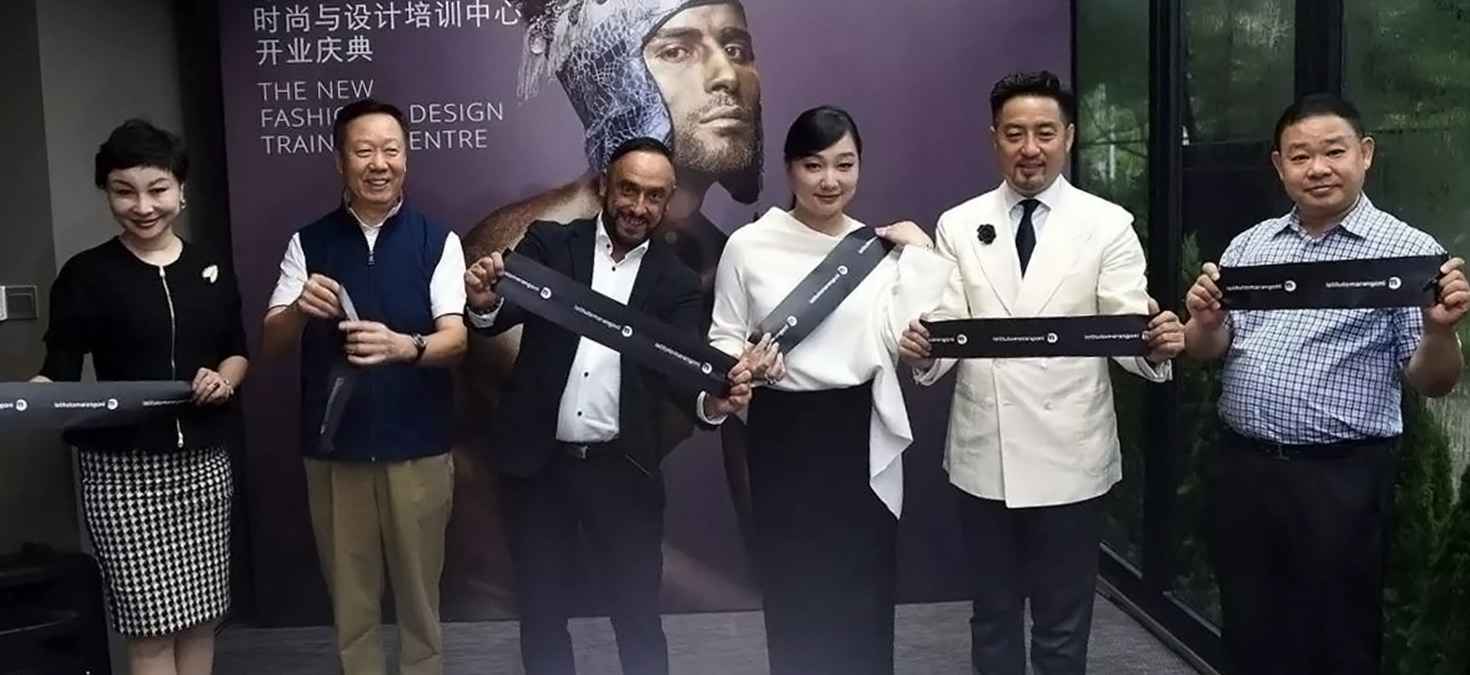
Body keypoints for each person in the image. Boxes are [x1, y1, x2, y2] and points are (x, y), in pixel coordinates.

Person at [898, 71, 1185, 675]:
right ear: (994, 139)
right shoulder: (958, 223)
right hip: (987, 452)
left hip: (1071, 453)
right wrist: (925, 351)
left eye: (1045, 133)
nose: (1030, 148)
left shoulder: (1108, 223)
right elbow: (949, 327)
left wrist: (1154, 345)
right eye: (1015, 133)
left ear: (1069, 137)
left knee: (1062, 622)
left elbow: (1125, 325)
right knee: (993, 616)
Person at [458, 0, 765, 561]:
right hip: (527, 528)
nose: (726, 75)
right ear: (615, 76)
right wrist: (483, 304)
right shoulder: (528, 243)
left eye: (736, 47)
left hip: (628, 499)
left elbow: (698, 397)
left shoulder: (716, 265)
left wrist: (719, 400)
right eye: (678, 50)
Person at [1183, 93, 1468, 675]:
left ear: (1365, 154)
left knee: (1337, 637)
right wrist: (1204, 323)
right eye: (1300, 155)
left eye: (1334, 152)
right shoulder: (1250, 245)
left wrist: (1440, 332)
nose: (1317, 168)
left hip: (1342, 479)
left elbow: (1432, 382)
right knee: (1248, 626)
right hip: (1245, 469)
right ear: (1279, 165)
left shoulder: (1409, 254)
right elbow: (1205, 350)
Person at [463, 137, 756, 675]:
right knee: (542, 616)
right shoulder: (551, 243)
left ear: (667, 202)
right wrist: (482, 304)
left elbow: (682, 377)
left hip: (623, 474)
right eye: (628, 190)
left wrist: (713, 404)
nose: (638, 207)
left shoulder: (677, 283)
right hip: (538, 469)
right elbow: (497, 315)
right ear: (604, 186)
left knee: (637, 619)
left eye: (653, 196)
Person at [707, 106, 953, 675]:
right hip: (782, 432)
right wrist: (743, 366)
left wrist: (920, 252)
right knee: (794, 593)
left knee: (865, 593)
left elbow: (908, 337)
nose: (830, 180)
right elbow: (722, 336)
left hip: (858, 430)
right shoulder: (748, 245)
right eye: (813, 165)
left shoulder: (876, 250)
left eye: (845, 165)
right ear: (789, 168)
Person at [32, 119, 248, 675]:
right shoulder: (85, 274)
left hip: (202, 467)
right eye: (124, 191)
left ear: (181, 189)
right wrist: (27, 400)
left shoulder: (209, 267)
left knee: (201, 618)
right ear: (107, 193)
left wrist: (225, 380)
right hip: (123, 474)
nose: (143, 206)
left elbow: (235, 351)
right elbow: (58, 370)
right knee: (149, 629)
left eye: (157, 189)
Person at [260, 99, 467, 675]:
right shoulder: (309, 243)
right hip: (336, 451)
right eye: (364, 151)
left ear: (407, 156)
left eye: (391, 150)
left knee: (421, 599)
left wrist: (406, 346)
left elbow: (456, 340)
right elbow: (271, 344)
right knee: (351, 602)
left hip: (418, 448)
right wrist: (298, 310)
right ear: (340, 161)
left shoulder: (436, 240)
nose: (379, 163)